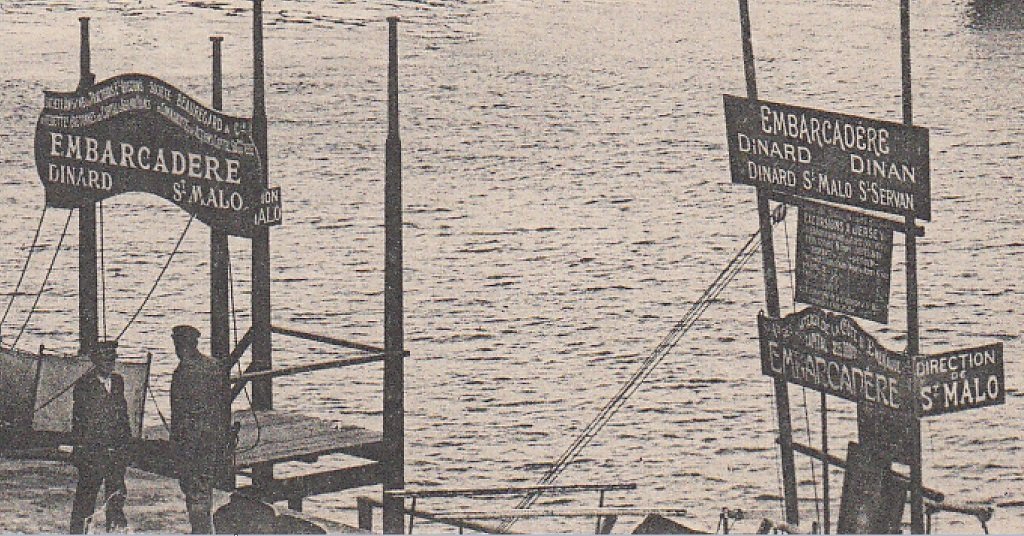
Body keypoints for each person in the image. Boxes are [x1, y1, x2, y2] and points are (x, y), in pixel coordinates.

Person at [170, 325, 231, 534]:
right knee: (204, 488)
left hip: (191, 442)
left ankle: (201, 532)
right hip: (212, 437)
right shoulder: (214, 366)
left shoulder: (183, 372)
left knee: (194, 491)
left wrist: (176, 446)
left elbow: (180, 414)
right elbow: (223, 404)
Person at [70, 341, 131, 534]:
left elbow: (123, 415)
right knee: (85, 501)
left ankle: (113, 531)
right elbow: (81, 422)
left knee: (115, 498)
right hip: (93, 453)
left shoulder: (118, 382)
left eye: (112, 358)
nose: (109, 363)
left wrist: (125, 446)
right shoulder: (84, 385)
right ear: (95, 360)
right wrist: (81, 451)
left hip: (116, 453)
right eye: (104, 359)